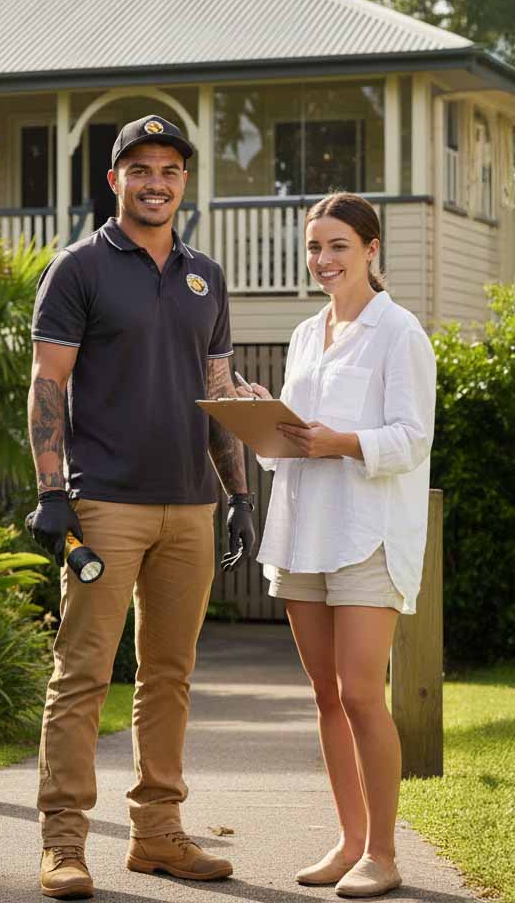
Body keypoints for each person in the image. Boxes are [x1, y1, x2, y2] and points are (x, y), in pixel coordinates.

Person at [27, 114, 257, 900]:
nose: (156, 181)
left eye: (170, 169)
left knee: (169, 676)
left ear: (184, 182)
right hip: (106, 505)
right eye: (141, 168)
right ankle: (64, 843)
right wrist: (52, 492)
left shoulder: (206, 276)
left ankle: (157, 836)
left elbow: (218, 391)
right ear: (114, 179)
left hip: (190, 507)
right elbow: (48, 382)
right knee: (84, 673)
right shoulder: (79, 268)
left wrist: (237, 493)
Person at [236, 192, 436, 899]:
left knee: (359, 694)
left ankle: (383, 854)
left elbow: (413, 440)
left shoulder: (398, 332)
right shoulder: (304, 334)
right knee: (325, 695)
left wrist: (340, 442)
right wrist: (267, 419)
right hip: (301, 534)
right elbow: (286, 450)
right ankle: (350, 842)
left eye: (338, 246)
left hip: (366, 535)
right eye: (315, 247)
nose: (323, 260)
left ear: (372, 249)